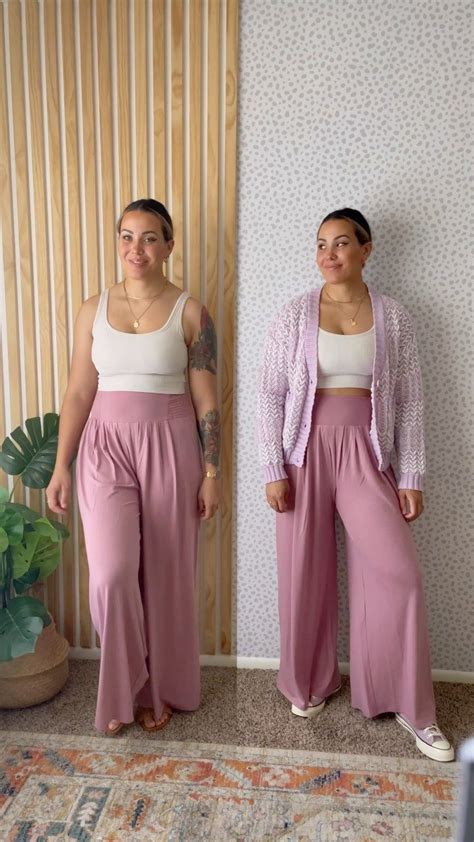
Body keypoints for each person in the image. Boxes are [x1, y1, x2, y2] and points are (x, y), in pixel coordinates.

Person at [257, 207, 453, 762]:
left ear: (366, 250)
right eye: (321, 244)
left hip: (367, 453)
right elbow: (271, 394)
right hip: (303, 453)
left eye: (342, 243)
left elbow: (410, 401)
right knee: (303, 573)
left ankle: (409, 705)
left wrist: (410, 474)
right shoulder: (293, 314)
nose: (329, 254)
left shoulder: (394, 317)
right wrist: (273, 468)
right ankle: (310, 682)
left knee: (399, 573)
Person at [47, 198, 220, 735]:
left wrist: (212, 474)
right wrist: (61, 465)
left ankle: (158, 690)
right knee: (113, 575)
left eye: (148, 237)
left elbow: (207, 401)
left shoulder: (192, 313)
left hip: (172, 445)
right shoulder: (91, 309)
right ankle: (123, 688)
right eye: (126, 236)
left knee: (167, 576)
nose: (136, 248)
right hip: (104, 447)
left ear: (168, 246)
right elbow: (79, 392)